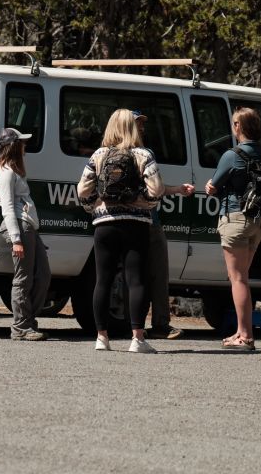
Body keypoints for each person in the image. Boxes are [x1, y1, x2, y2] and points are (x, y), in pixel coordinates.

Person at [77, 109, 165, 353]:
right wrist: (143, 203)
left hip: (104, 225)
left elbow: (82, 190)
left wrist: (95, 207)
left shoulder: (99, 154)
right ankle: (137, 339)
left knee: (102, 280)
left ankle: (101, 338)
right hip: (135, 225)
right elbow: (156, 190)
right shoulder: (142, 154)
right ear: (132, 128)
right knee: (135, 280)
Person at [204, 107, 261, 351]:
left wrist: (210, 186)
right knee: (242, 278)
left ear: (239, 126)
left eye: (234, 123)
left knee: (237, 279)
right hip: (257, 221)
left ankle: (245, 336)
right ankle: (241, 331)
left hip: (236, 218)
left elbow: (214, 186)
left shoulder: (232, 155)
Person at [131, 111, 194, 340]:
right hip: (146, 222)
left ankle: (145, 325)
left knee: (143, 275)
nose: (142, 129)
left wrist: (176, 189)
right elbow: (154, 189)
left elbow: (155, 187)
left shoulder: (111, 153)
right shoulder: (144, 154)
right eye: (138, 124)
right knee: (152, 274)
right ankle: (153, 324)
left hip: (130, 221)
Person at [0, 127, 51, 341]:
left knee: (43, 275)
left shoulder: (13, 170)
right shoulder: (6, 173)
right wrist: (17, 239)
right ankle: (20, 326)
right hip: (19, 226)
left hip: (28, 227)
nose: (25, 146)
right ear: (14, 146)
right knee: (23, 278)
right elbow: (7, 208)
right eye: (22, 143)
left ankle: (28, 320)